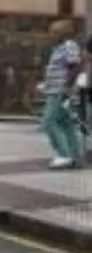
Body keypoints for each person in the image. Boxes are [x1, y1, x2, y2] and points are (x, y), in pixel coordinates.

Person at [40, 19, 83, 169]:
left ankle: (64, 154)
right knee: (65, 123)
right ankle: (74, 155)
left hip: (60, 91)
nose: (51, 35)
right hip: (55, 89)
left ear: (63, 33)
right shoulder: (58, 48)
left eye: (54, 32)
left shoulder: (69, 45)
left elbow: (75, 66)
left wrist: (66, 86)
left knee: (49, 121)